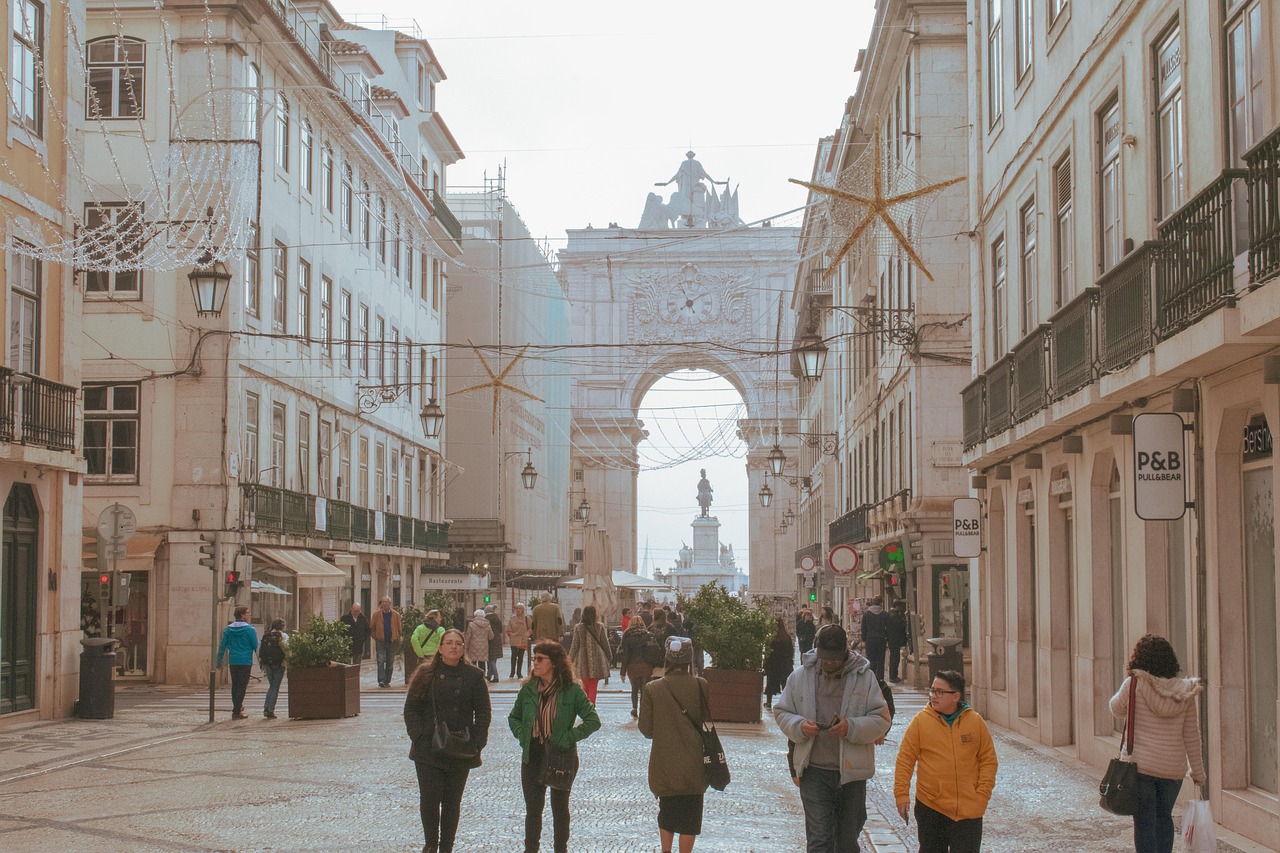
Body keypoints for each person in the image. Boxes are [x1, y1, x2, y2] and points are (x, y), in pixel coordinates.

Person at [774, 623, 891, 853]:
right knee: (819, 840)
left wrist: (851, 727)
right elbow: (782, 711)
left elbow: (882, 720)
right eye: (824, 659)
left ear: (845, 653)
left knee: (847, 842)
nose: (828, 664)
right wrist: (799, 726)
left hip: (852, 773)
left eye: (834, 660)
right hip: (814, 770)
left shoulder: (864, 677)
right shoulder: (799, 677)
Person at [1108, 634, 1205, 853]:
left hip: (1140, 767)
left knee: (1143, 822)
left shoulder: (1134, 683)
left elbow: (1116, 709)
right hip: (1172, 770)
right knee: (1164, 818)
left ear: (1139, 659)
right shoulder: (1185, 691)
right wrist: (1197, 772)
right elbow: (1191, 735)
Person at [508, 640, 601, 853]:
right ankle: (531, 849)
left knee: (559, 807)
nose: (535, 663)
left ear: (554, 662)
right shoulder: (529, 688)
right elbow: (514, 717)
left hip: (561, 754)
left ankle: (561, 849)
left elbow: (593, 720)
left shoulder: (571, 690)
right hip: (533, 753)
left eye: (540, 659)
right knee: (533, 808)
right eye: (534, 659)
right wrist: (523, 734)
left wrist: (569, 737)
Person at [404, 628, 492, 853]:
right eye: (449, 643)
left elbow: (483, 712)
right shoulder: (426, 673)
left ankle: (446, 847)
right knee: (430, 800)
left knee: (452, 802)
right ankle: (431, 845)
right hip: (429, 748)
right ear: (440, 648)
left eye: (458, 643)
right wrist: (419, 735)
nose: (454, 646)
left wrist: (477, 741)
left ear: (464, 649)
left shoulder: (474, 676)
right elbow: (411, 708)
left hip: (460, 747)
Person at [894, 669, 997, 853]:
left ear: (955, 696)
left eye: (940, 692)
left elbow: (988, 760)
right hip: (932, 808)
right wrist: (901, 795)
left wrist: (981, 796)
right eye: (932, 690)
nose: (934, 696)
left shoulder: (975, 721)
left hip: (969, 810)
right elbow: (905, 760)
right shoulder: (920, 722)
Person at [639, 636, 711, 853]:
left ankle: (665, 850)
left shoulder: (652, 688)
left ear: (667, 658)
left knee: (667, 811)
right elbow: (706, 723)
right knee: (691, 814)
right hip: (694, 762)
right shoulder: (701, 686)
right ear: (689, 660)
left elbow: (646, 729)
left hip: (664, 762)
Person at [215, 605, 259, 720]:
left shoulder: (228, 629)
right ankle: (236, 710)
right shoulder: (250, 629)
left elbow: (222, 647)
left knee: (235, 685)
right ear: (242, 615)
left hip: (233, 661)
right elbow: (256, 646)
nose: (249, 615)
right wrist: (261, 661)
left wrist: (218, 661)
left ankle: (237, 707)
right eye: (247, 613)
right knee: (242, 686)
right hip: (245, 661)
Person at [569, 604, 611, 703]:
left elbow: (575, 645)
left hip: (583, 659)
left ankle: (587, 704)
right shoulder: (600, 626)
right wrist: (609, 656)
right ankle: (591, 704)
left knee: (585, 683)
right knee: (593, 684)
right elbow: (605, 643)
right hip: (597, 659)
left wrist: (569, 659)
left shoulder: (578, 627)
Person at [619, 615, 657, 718]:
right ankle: (643, 709)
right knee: (644, 689)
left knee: (634, 688)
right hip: (646, 665)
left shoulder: (627, 635)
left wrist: (622, 672)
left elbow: (625, 655)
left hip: (632, 666)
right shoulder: (649, 635)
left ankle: (635, 708)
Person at [258, 618, 288, 719]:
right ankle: (270, 710)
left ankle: (266, 707)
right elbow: (287, 650)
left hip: (267, 664)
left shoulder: (266, 635)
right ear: (282, 626)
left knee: (272, 686)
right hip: (279, 664)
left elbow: (261, 649)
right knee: (275, 687)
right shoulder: (283, 636)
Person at [370, 596, 403, 688]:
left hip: (392, 641)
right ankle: (381, 680)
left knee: (390, 662)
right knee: (380, 660)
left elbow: (399, 627)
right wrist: (375, 636)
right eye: (383, 602)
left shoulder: (396, 615)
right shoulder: (376, 615)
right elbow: (372, 627)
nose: (384, 604)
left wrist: (398, 637)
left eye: (386, 602)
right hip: (380, 641)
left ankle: (387, 680)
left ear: (389, 604)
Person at [764, 617, 795, 710]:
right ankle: (786, 703)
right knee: (785, 684)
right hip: (784, 664)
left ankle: (769, 702)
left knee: (770, 683)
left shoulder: (771, 638)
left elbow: (767, 652)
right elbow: (791, 651)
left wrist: (765, 664)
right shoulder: (787, 637)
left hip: (773, 664)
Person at [860, 596, 888, 683]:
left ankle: (871, 676)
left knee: (871, 659)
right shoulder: (885, 614)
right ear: (881, 603)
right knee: (880, 659)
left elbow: (863, 628)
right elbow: (887, 628)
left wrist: (864, 639)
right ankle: (880, 678)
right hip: (881, 639)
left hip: (870, 639)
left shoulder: (866, 614)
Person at [506, 602, 532, 679]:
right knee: (513, 656)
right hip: (514, 640)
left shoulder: (527, 618)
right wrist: (511, 634)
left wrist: (527, 634)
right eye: (517, 608)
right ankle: (512, 672)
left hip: (522, 640)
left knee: (520, 657)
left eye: (520, 608)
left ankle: (519, 672)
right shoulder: (512, 619)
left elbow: (531, 628)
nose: (518, 610)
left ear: (523, 609)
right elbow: (508, 630)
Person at [464, 609, 493, 673]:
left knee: (473, 663)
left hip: (473, 647)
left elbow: (468, 637)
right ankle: (482, 676)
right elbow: (491, 637)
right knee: (482, 663)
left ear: (475, 615)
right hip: (484, 647)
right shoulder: (488, 624)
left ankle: (473, 677)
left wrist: (465, 647)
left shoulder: (471, 624)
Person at [886, 602, 909, 684]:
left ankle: (893, 676)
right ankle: (893, 676)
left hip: (892, 640)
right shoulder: (894, 615)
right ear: (897, 606)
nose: (901, 609)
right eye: (900, 606)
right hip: (895, 640)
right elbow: (899, 627)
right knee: (895, 658)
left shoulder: (890, 614)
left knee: (894, 657)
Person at [485, 605, 504, 683]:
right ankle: (489, 675)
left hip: (490, 640)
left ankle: (496, 676)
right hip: (497, 639)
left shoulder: (486, 619)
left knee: (490, 658)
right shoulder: (497, 618)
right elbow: (501, 629)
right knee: (493, 658)